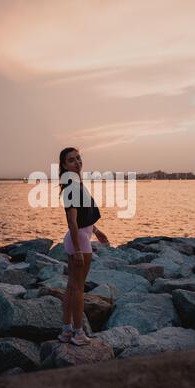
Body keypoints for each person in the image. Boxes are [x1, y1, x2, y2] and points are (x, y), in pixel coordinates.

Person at [58, 146, 109, 346]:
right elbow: (72, 221)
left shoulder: (76, 183)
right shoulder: (71, 186)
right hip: (78, 240)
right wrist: (78, 249)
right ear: (64, 165)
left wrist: (96, 231)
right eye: (72, 160)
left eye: (78, 158)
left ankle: (66, 331)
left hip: (81, 236)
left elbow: (83, 216)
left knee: (72, 287)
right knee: (78, 289)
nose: (77, 162)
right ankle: (79, 333)